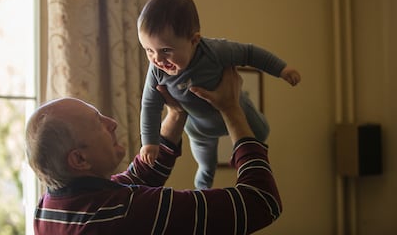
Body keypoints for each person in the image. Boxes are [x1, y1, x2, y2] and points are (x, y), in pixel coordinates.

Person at [25, 67, 282, 235]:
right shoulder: (127, 213)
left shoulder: (49, 208)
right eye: (98, 123)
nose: (112, 123)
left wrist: (176, 113)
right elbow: (261, 201)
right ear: (79, 159)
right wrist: (231, 109)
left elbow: (136, 178)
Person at [138, 0, 301, 189]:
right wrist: (150, 142)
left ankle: (241, 161)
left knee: (262, 132)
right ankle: (203, 188)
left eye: (166, 50)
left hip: (237, 108)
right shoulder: (156, 71)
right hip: (200, 128)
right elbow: (149, 105)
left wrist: (282, 69)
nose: (157, 59)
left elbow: (250, 53)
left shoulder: (215, 51)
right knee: (206, 164)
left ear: (194, 40)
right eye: (148, 50)